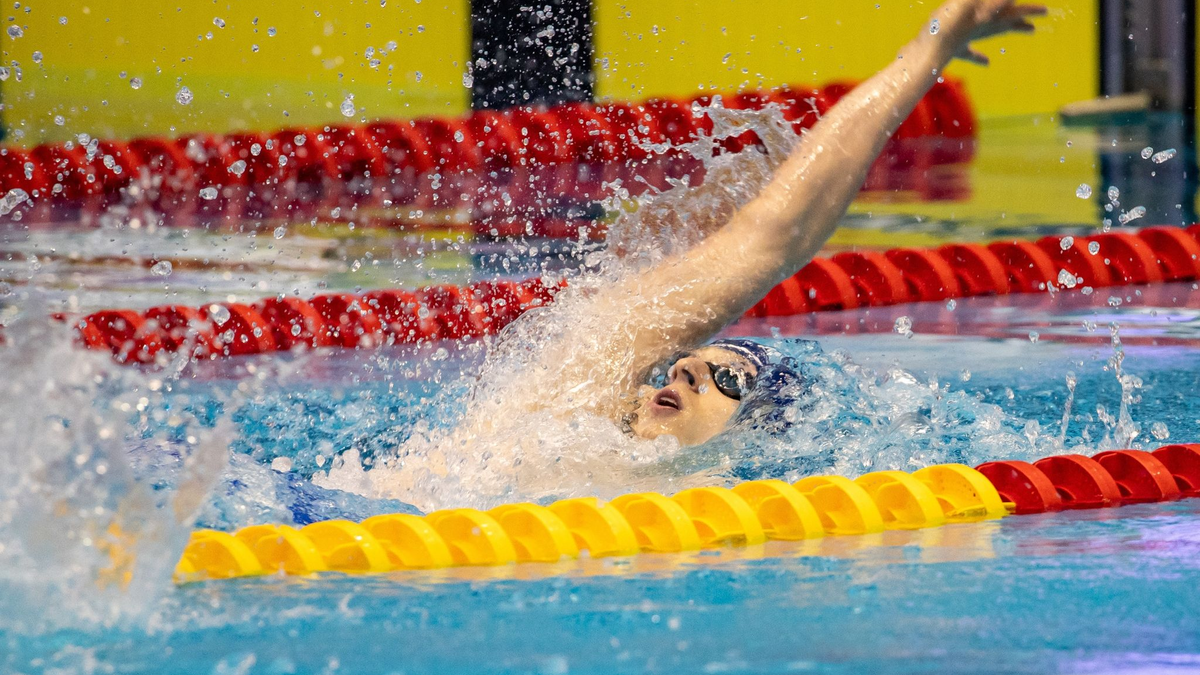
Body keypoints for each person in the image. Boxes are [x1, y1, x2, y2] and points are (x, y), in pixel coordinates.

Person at [580, 0, 1048, 448]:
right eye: (675, 370)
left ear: (758, 430)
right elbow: (771, 237)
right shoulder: (573, 411)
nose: (681, 368)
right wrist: (930, 47)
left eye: (729, 380)